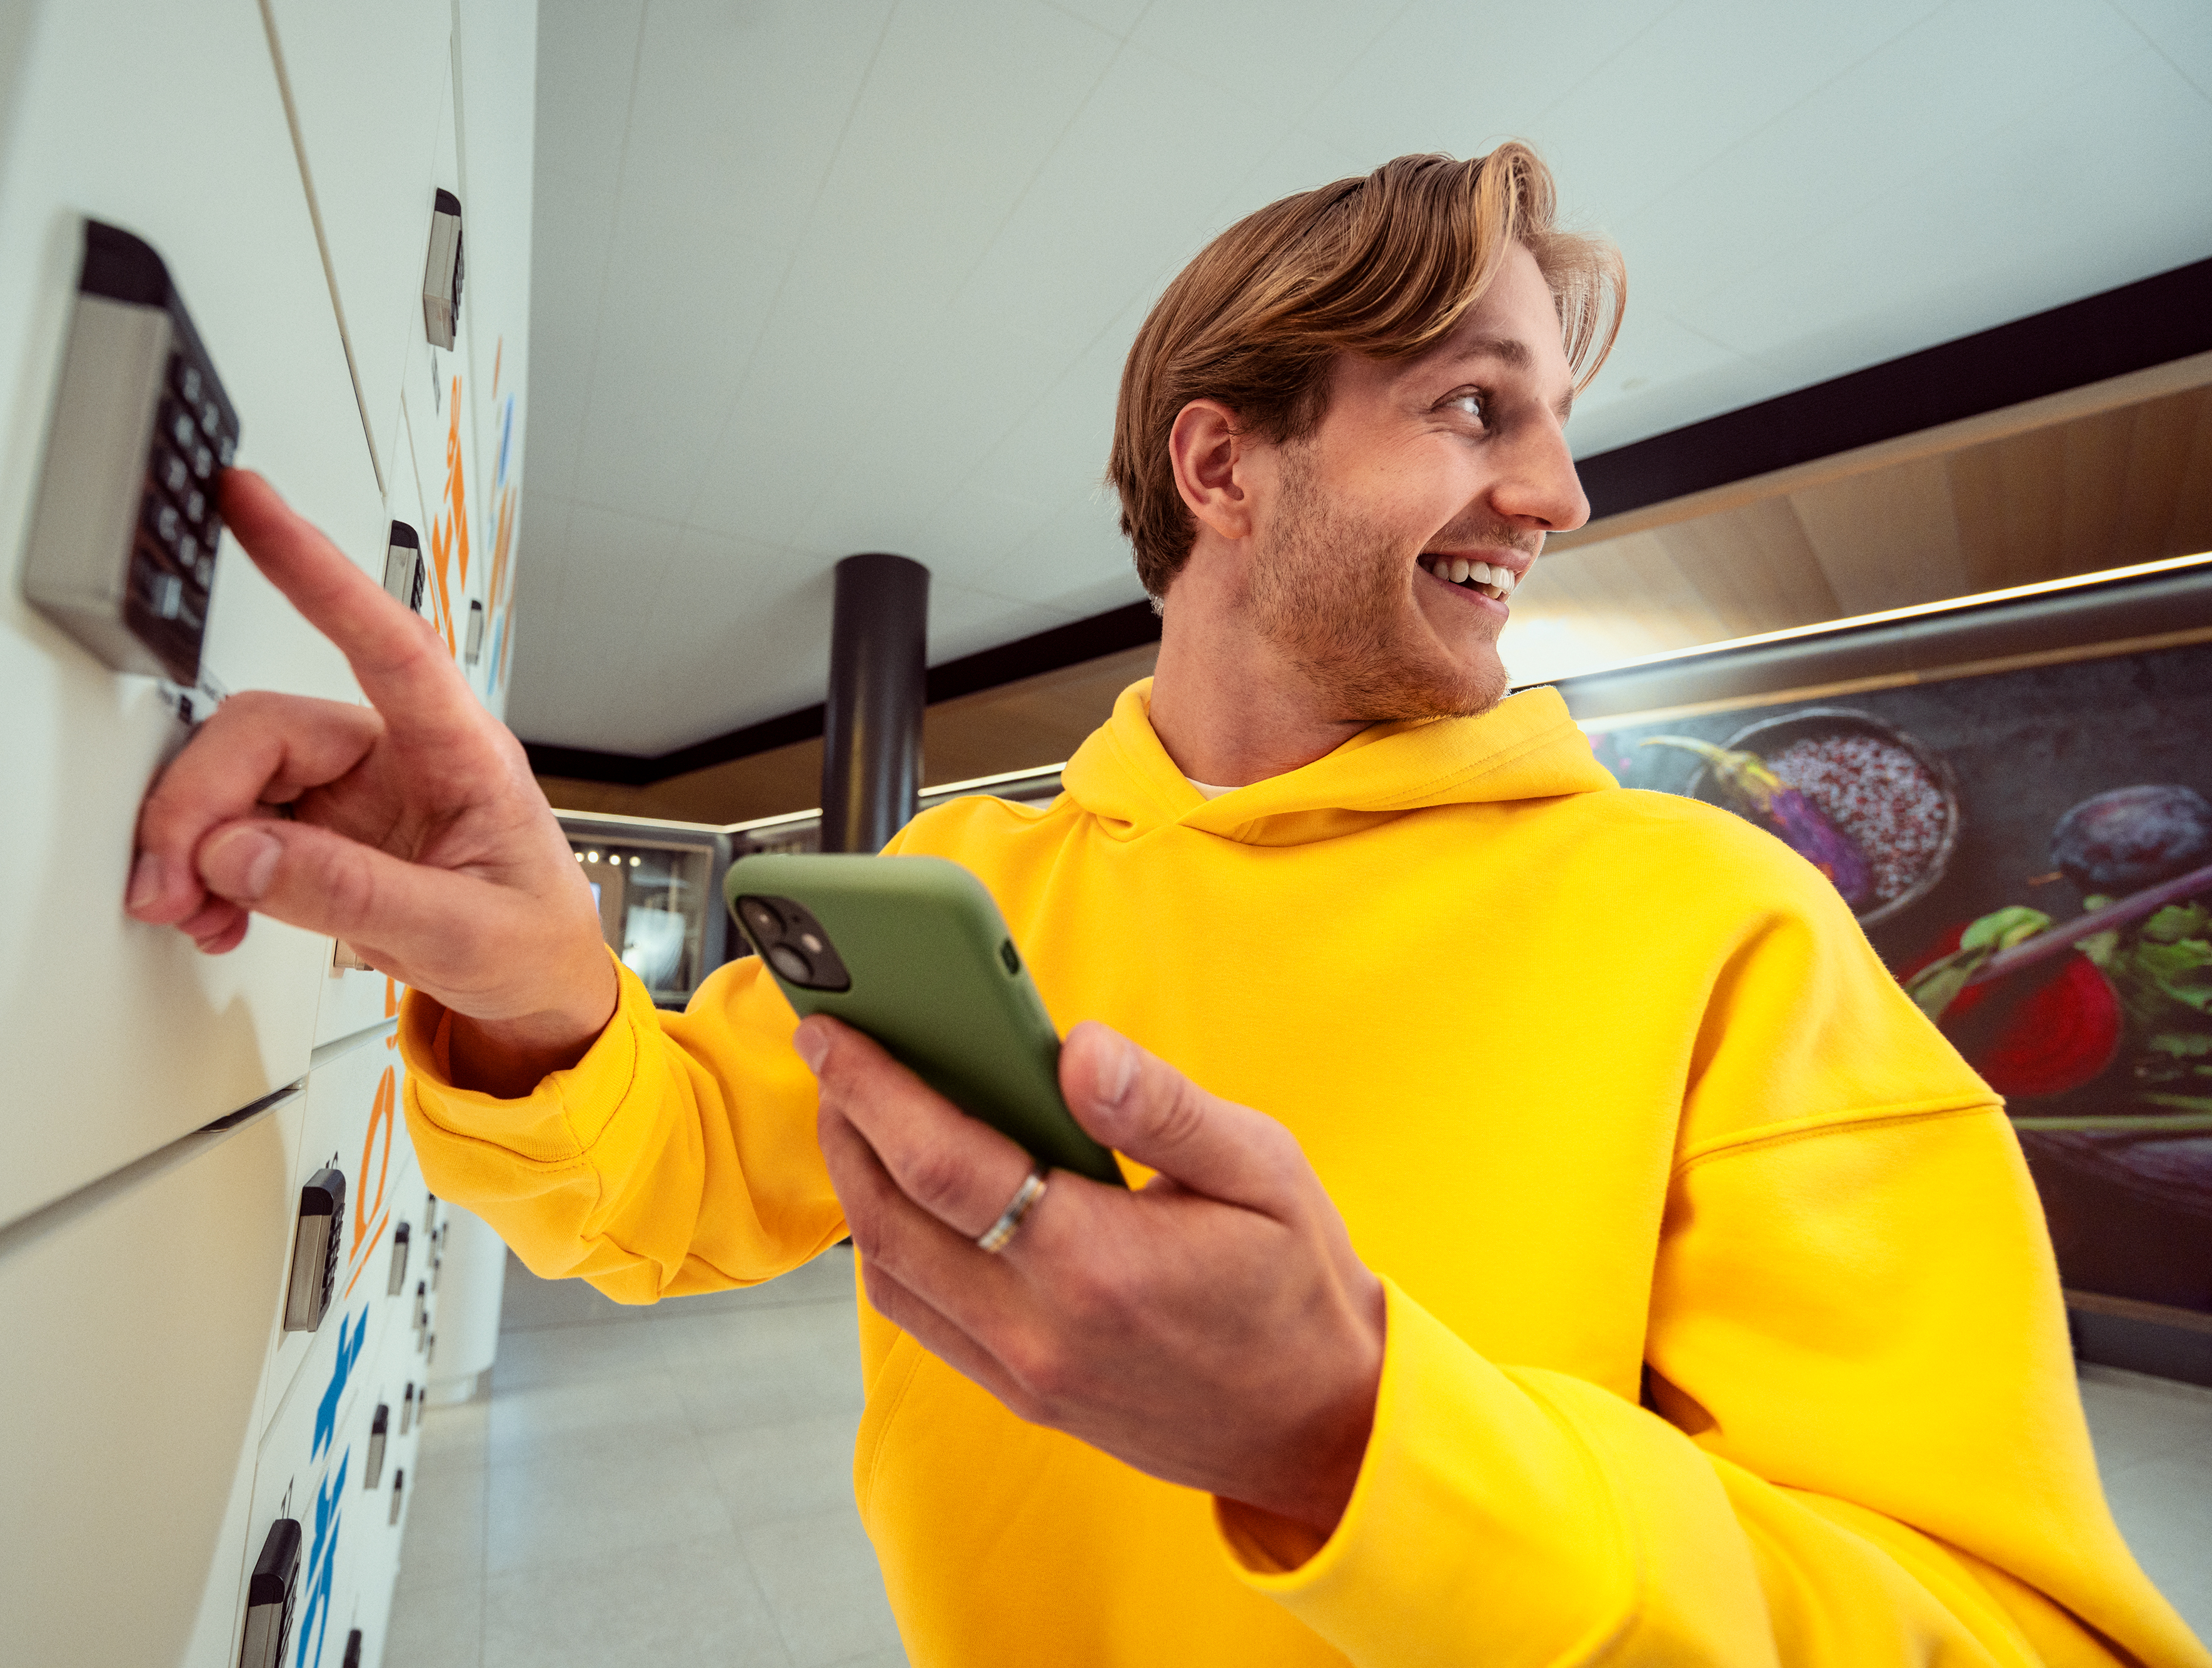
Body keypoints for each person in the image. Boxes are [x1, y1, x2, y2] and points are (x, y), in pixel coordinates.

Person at [128, 145, 2208, 1665]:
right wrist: (532, 998)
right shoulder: (967, 882)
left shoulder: (1734, 934)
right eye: (1479, 407)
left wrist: (1361, 1436)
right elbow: (666, 1184)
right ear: (1226, 468)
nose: (1562, 497)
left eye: (1557, 427)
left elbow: (2019, 1636)